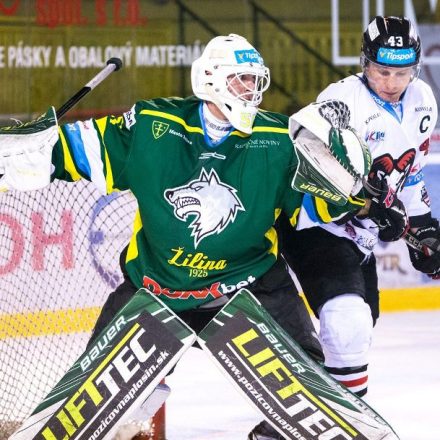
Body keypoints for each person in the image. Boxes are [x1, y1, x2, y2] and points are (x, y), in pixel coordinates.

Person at [0, 34, 369, 440]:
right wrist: (31, 149)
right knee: (106, 408)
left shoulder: (279, 139)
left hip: (249, 285)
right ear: (210, 78)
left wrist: (352, 188)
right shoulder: (153, 126)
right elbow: (74, 150)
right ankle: (137, 408)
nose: (251, 90)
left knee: (309, 389)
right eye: (241, 79)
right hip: (156, 287)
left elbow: (316, 209)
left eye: (255, 80)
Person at [278, 16, 440, 399]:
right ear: (364, 63)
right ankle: (341, 418)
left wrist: (422, 227)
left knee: (359, 327)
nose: (392, 82)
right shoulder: (342, 99)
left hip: (359, 238)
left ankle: (302, 413)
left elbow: (411, 172)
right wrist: (364, 205)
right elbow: (303, 149)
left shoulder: (422, 101)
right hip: (315, 225)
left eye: (402, 73)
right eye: (382, 71)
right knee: (346, 323)